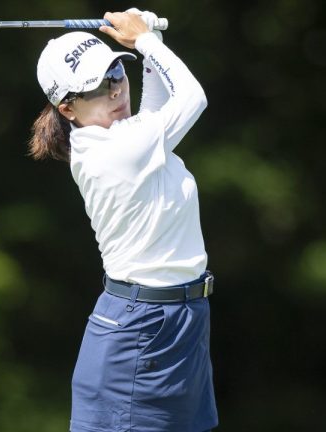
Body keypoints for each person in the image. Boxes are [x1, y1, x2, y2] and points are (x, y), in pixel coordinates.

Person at [29, 9, 218, 432]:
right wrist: (146, 42)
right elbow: (192, 98)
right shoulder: (112, 150)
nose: (115, 88)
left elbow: (155, 107)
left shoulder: (125, 135)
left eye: (117, 70)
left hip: (182, 322)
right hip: (140, 329)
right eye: (97, 85)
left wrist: (150, 46)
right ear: (68, 108)